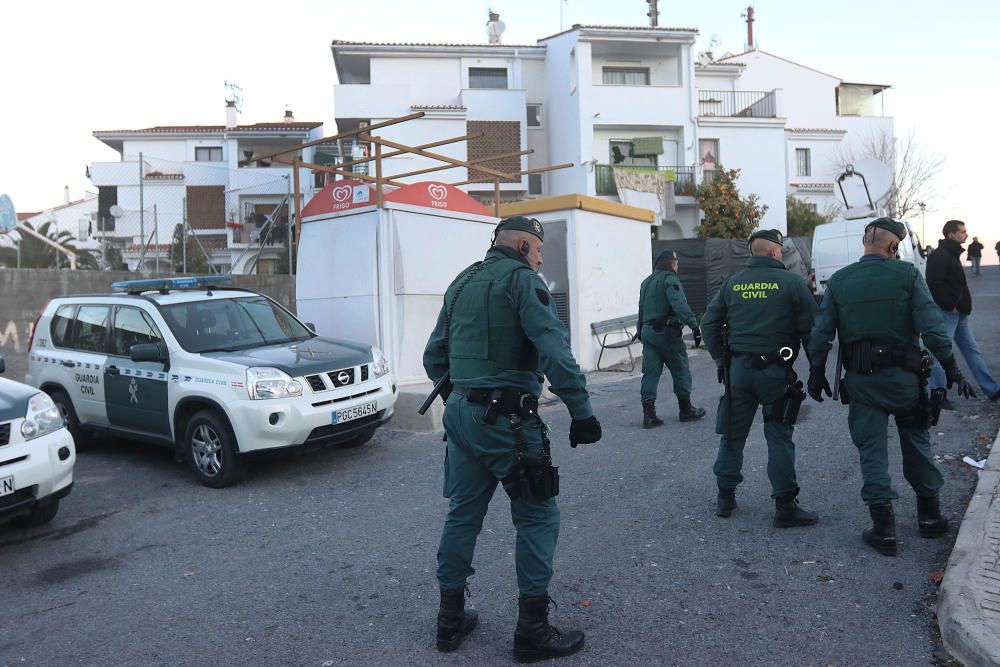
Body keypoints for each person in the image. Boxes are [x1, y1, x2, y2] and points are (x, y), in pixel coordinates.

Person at [423, 215, 602, 661]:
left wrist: (464, 396)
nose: (540, 258)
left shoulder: (462, 282)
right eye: (538, 250)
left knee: (463, 513)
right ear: (523, 245)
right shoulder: (524, 282)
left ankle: (449, 621)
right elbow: (555, 350)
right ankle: (533, 630)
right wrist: (581, 413)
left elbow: (433, 357)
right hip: (508, 422)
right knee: (538, 516)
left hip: (462, 415)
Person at [807, 218, 975, 557]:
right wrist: (953, 368)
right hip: (905, 380)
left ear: (864, 243)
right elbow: (932, 328)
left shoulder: (839, 281)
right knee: (915, 441)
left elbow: (821, 332)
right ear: (893, 247)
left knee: (871, 450)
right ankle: (929, 517)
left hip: (862, 381)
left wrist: (816, 372)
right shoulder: (907, 275)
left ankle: (883, 529)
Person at [700, 229, 819, 526]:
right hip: (775, 372)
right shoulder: (792, 283)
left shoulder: (732, 284)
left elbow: (709, 324)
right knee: (778, 436)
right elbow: (811, 330)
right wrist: (817, 369)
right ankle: (785, 506)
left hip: (738, 372)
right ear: (774, 251)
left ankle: (725, 498)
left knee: (732, 434)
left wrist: (719, 360)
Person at [926, 220, 1000, 402]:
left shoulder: (952, 253)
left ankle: (992, 390)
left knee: (972, 351)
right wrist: (949, 305)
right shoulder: (941, 255)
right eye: (962, 232)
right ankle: (938, 393)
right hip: (949, 313)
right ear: (951, 235)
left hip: (960, 314)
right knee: (941, 352)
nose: (966, 234)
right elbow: (934, 284)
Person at [636, 249, 706, 427]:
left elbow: (641, 310)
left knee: (650, 373)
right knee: (680, 369)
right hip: (666, 333)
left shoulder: (646, 282)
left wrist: (640, 331)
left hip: (648, 333)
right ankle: (686, 409)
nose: (678, 266)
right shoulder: (670, 279)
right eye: (676, 263)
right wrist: (694, 326)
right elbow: (679, 304)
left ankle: (649, 415)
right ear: (671, 264)